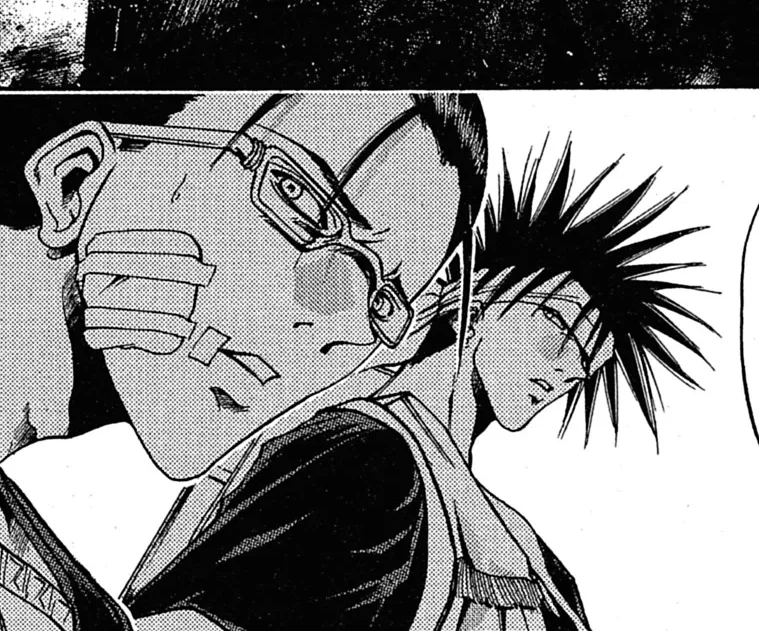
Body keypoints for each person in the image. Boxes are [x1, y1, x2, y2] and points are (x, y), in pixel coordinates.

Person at [0, 90, 486, 631]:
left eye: (383, 301)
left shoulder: (69, 606)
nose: (333, 327)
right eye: (296, 197)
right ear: (74, 178)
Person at [126, 141, 711, 631]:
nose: (569, 369)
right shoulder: (364, 458)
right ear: (479, 294)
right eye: (558, 325)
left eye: (588, 360)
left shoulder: (544, 568)